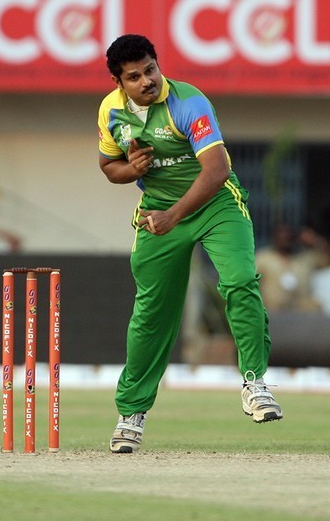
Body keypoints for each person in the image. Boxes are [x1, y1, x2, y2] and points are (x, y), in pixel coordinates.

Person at [96, 34, 281, 454]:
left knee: (238, 281)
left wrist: (173, 217)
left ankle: (255, 382)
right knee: (152, 311)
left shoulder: (188, 102)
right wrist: (132, 169)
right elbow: (109, 168)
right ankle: (131, 413)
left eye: (150, 69)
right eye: (134, 77)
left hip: (215, 204)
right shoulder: (111, 112)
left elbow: (215, 171)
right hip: (158, 207)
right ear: (117, 82)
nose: (147, 81)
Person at [255, 223, 323, 313]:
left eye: (287, 236)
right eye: (280, 236)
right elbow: (248, 281)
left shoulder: (303, 259)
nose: (284, 239)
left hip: (299, 315)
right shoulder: (263, 258)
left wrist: (315, 241)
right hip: (271, 314)